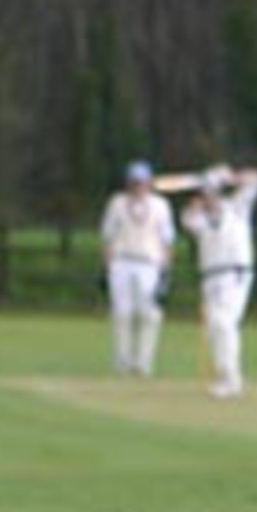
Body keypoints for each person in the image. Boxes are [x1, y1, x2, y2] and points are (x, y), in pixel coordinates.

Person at [180, 164, 257, 398]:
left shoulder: (237, 208)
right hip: (210, 277)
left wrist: (228, 177)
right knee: (217, 327)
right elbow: (187, 219)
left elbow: (256, 179)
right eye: (206, 195)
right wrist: (199, 197)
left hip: (235, 274)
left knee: (224, 322)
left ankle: (231, 378)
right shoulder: (200, 220)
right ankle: (225, 376)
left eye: (212, 194)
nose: (209, 200)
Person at [99, 160, 175, 377]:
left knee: (149, 315)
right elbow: (107, 237)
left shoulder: (160, 206)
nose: (137, 186)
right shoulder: (117, 203)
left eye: (141, 182)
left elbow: (167, 240)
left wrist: (165, 273)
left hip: (150, 264)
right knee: (122, 314)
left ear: (148, 183)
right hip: (121, 261)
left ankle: (143, 363)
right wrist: (105, 269)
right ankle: (122, 362)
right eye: (134, 182)